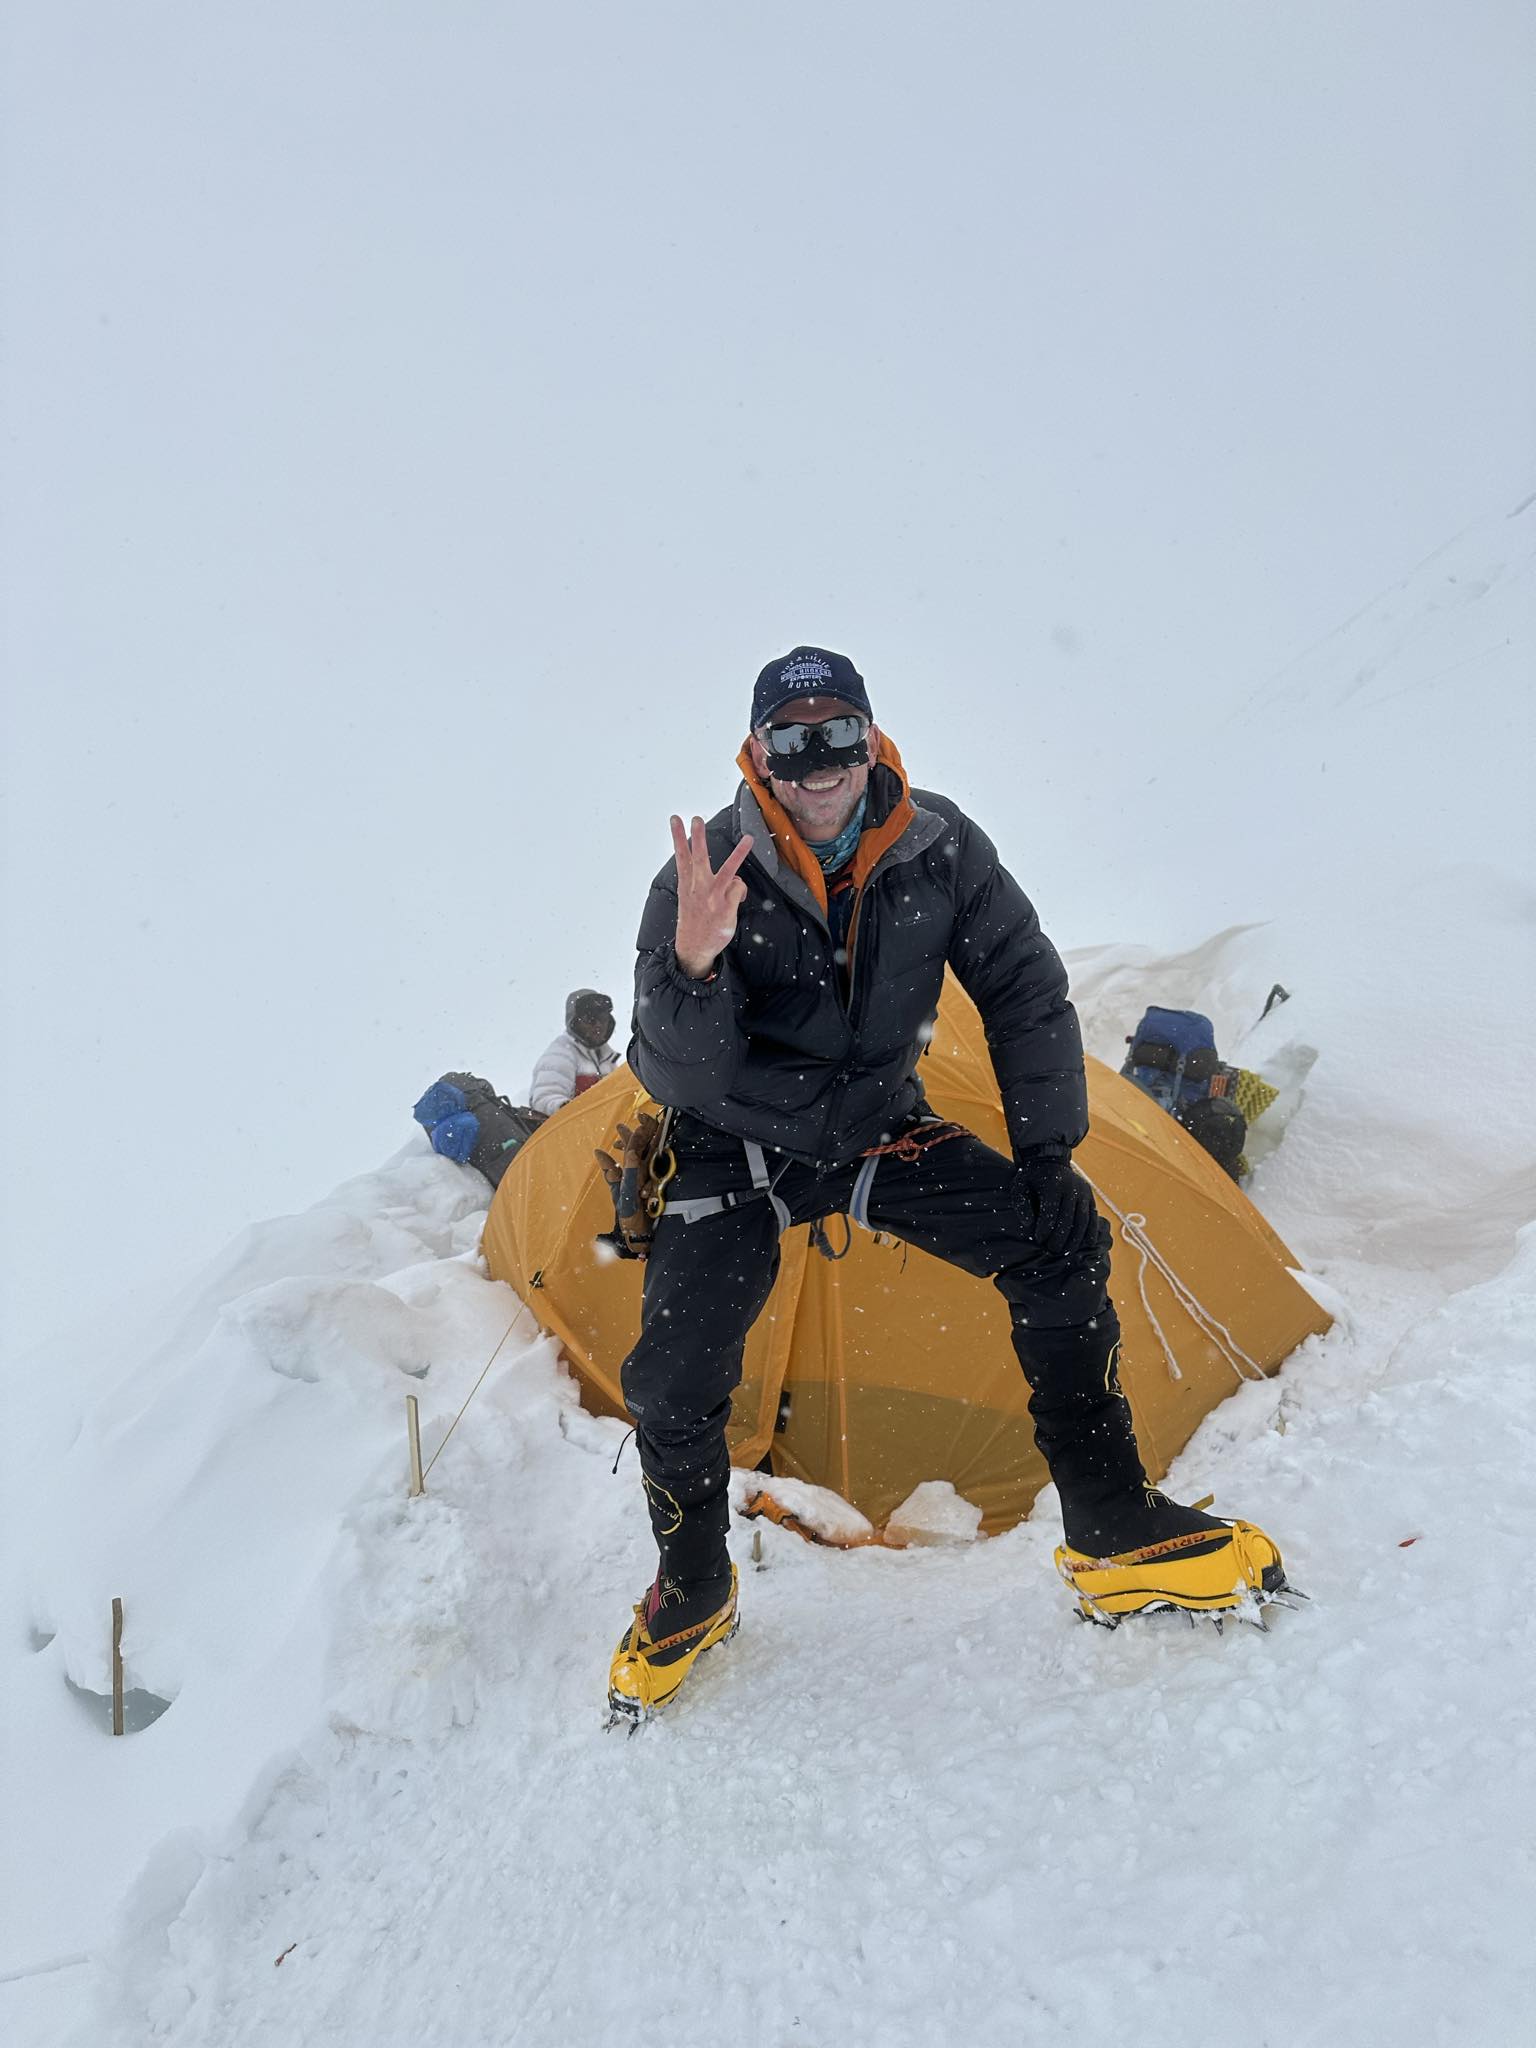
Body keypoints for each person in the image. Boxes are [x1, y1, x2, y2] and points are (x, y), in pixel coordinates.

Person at [607, 646, 1289, 1721]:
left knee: (1060, 1241)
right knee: (670, 1378)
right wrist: (694, 962)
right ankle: (696, 1581)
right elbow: (675, 1071)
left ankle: (1110, 1521)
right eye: (793, 738)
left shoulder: (939, 845)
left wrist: (1050, 1150)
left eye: (839, 732)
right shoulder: (706, 873)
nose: (819, 760)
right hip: (733, 1148)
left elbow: (1023, 987)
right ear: (760, 754)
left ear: (871, 738)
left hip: (882, 1134)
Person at [528, 989, 620, 1115]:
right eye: (590, 1019)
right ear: (574, 1022)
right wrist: (568, 1109)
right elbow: (544, 1099)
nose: (598, 1025)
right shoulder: (560, 1055)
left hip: (605, 1130)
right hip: (572, 1131)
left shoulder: (608, 1058)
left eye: (603, 1019)